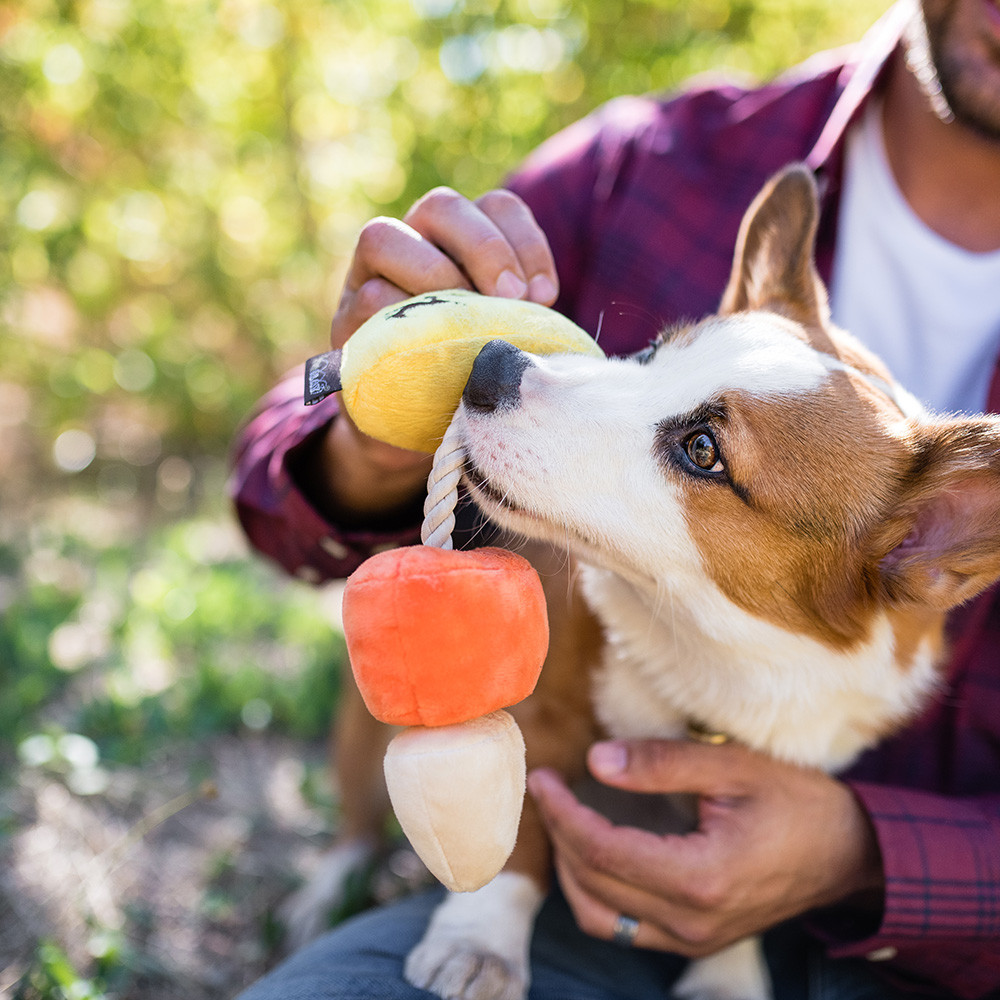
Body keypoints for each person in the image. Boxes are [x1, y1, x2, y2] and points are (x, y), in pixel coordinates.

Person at [230, 0, 1000, 996]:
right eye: (651, 355)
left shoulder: (932, 510)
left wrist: (858, 853)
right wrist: (357, 423)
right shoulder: (650, 162)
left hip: (928, 954)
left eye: (701, 447)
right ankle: (353, 843)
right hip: (554, 886)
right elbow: (288, 421)